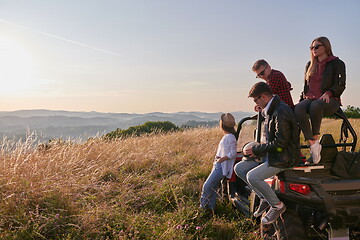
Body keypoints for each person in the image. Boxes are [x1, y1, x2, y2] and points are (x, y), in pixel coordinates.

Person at [234, 82, 300, 225]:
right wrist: (261, 110)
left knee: (253, 176)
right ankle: (264, 198)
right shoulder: (272, 109)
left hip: (285, 157)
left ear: (263, 96)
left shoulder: (281, 111)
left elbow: (280, 143)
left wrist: (256, 150)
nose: (255, 103)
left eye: (256, 99)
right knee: (239, 168)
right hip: (274, 154)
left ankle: (277, 206)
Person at [294, 36, 346, 164]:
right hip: (311, 98)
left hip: (330, 100)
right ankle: (313, 144)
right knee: (299, 107)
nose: (313, 50)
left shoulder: (337, 63)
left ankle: (315, 138)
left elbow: (341, 85)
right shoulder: (310, 65)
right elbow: (306, 87)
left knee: (315, 105)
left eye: (316, 47)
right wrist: (302, 98)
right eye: (311, 47)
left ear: (326, 47)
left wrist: (329, 93)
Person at [200, 113, 238, 211]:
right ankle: (211, 209)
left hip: (221, 166)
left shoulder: (230, 137)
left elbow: (233, 153)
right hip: (219, 164)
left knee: (207, 186)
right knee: (213, 188)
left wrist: (222, 159)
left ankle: (202, 208)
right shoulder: (228, 136)